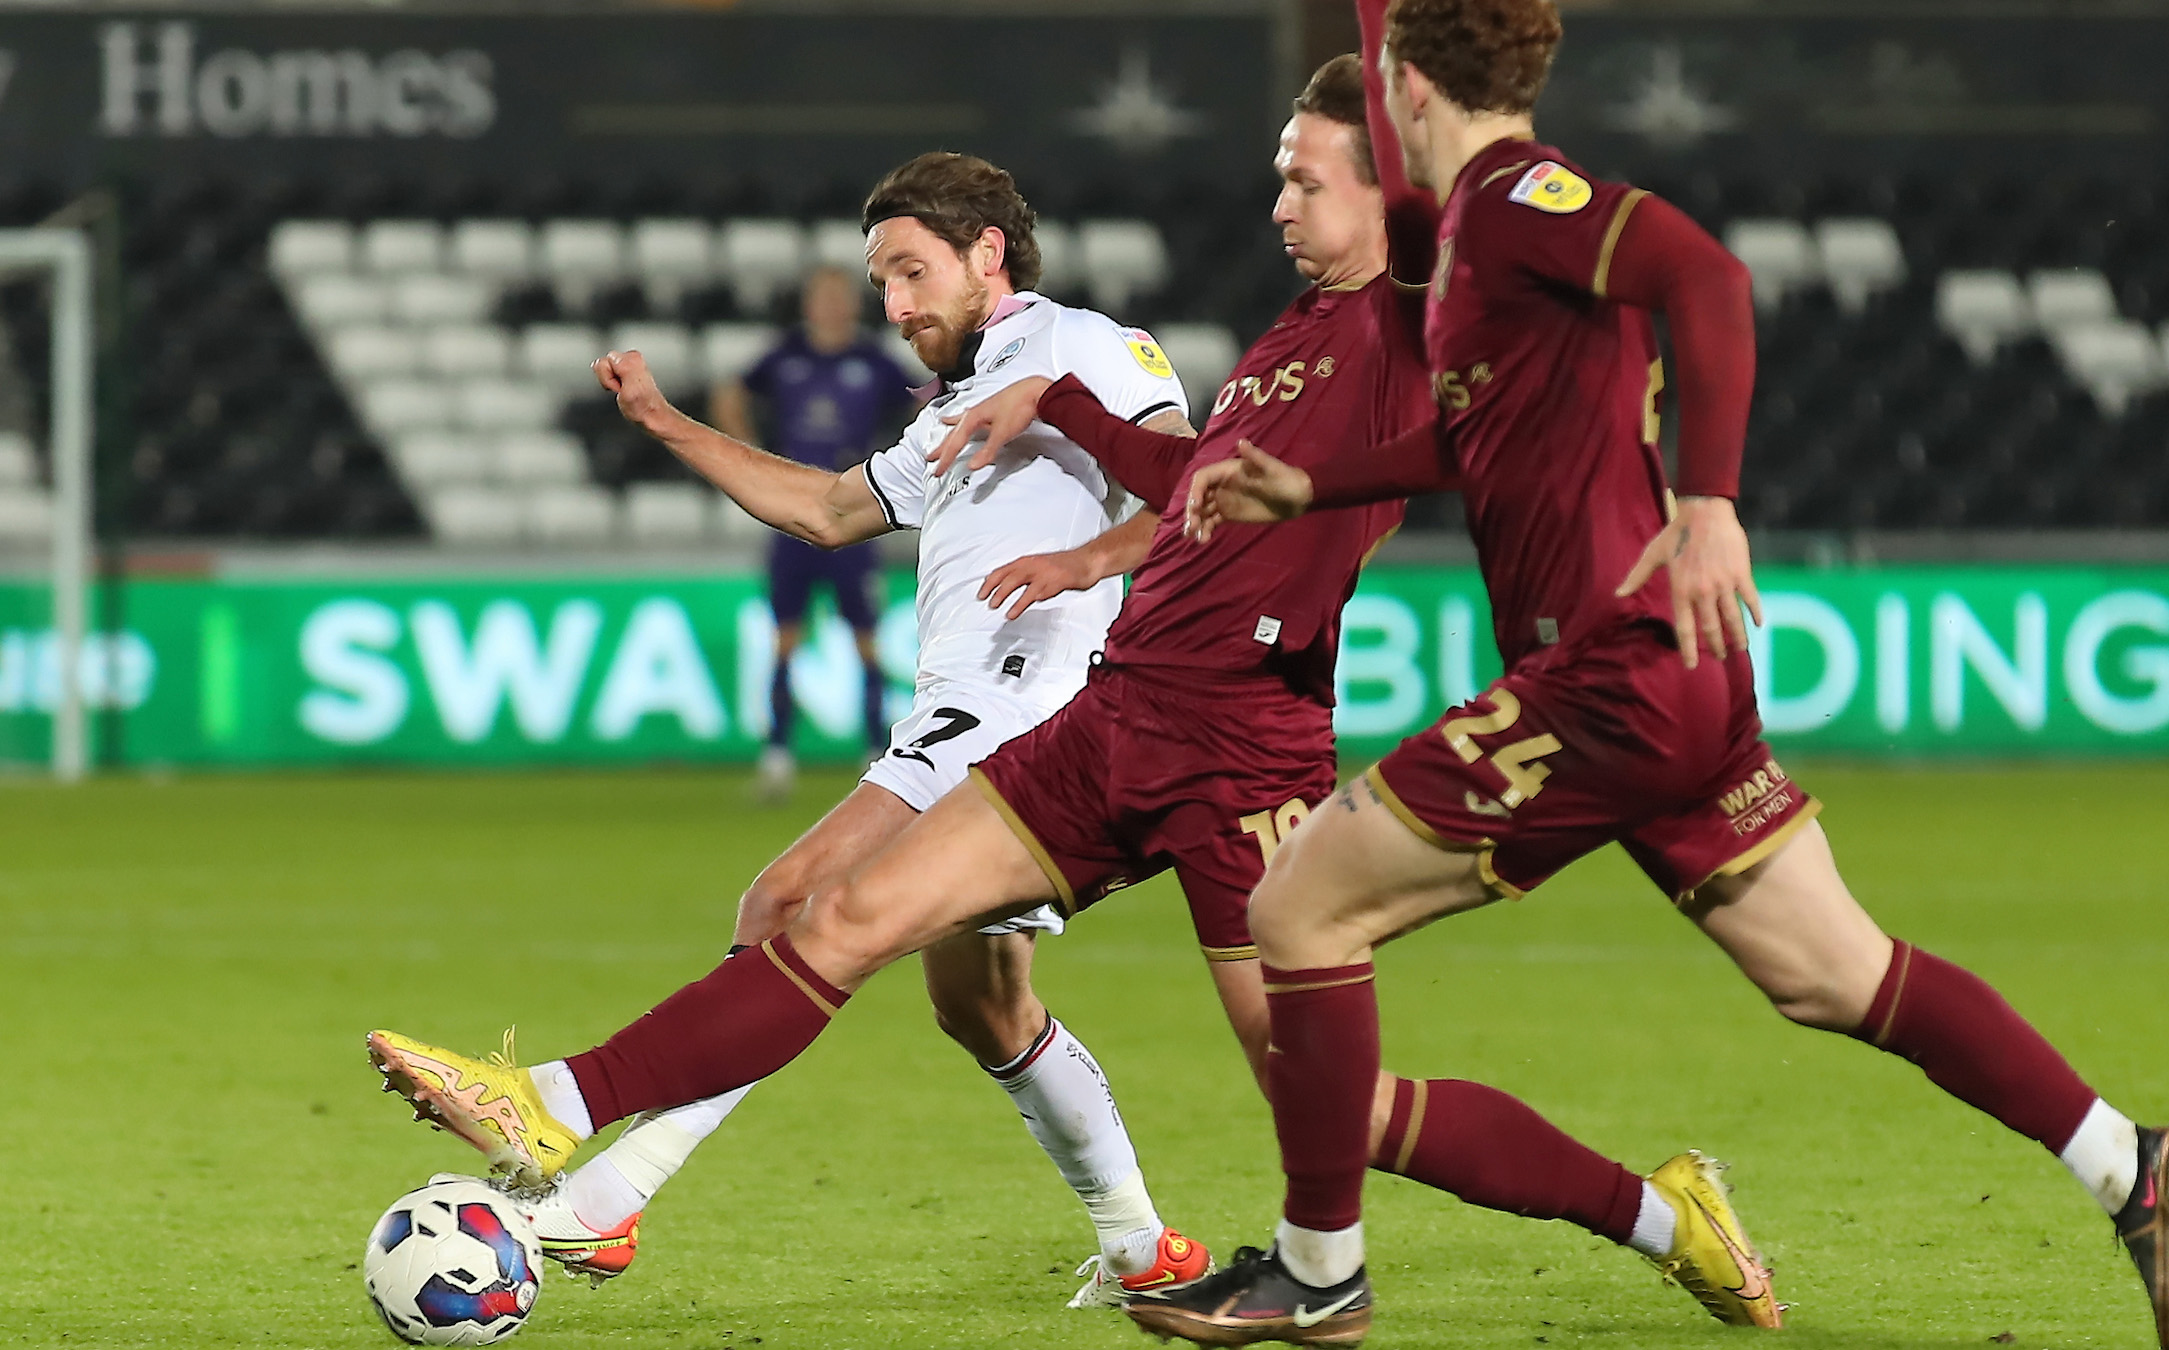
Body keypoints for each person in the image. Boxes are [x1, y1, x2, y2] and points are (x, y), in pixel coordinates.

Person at [366, 54, 1771, 1333]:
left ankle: (1650, 1216)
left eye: (1306, 176)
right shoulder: (1253, 344)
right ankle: (577, 1124)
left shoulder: (1278, 326)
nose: (1279, 201)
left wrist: (1088, 531)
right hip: (1110, 721)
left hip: (1193, 732)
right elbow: (922, 504)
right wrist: (684, 423)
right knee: (903, 957)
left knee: (1309, 1090)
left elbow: (1205, 464)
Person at [1134, 2, 2169, 1347]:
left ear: (1405, 89)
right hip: (1675, 681)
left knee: (1297, 911)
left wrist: (1708, 500)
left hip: (1608, 677)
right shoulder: (1472, 237)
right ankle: (2132, 1162)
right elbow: (1474, 440)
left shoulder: (1526, 200)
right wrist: (1312, 478)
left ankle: (1318, 1270)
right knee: (1835, 971)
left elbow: (1707, 276)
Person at [472, 151, 1218, 1307]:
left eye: (912, 273)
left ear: (989, 253)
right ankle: (1143, 1251)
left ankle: (607, 1202)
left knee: (788, 902)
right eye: (882, 283)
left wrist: (1086, 559)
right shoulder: (958, 404)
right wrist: (665, 421)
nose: (897, 306)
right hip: (973, 711)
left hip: (1020, 710)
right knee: (983, 1005)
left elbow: (1197, 482)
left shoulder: (1083, 345)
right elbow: (826, 508)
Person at [710, 264, 919, 801]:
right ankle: (777, 757)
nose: (829, 306)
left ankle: (875, 755)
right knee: (785, 640)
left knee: (866, 642)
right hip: (793, 517)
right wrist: (751, 454)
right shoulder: (786, 356)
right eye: (821, 297)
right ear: (809, 304)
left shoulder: (873, 361)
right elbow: (729, 394)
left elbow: (923, 404)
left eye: (838, 297)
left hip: (853, 514)